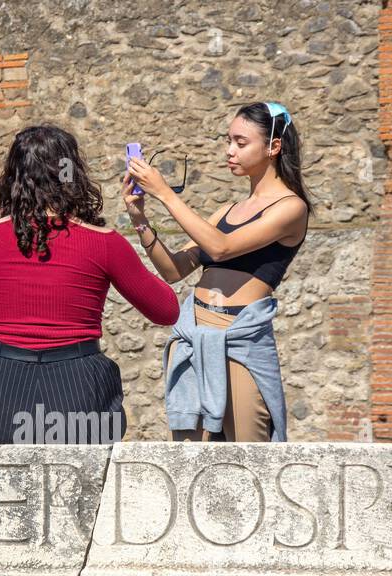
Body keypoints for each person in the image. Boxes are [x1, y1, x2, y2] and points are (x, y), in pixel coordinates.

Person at [0, 125, 180, 445]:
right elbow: (167, 310)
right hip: (79, 389)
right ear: (71, 175)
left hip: (3, 392)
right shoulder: (103, 242)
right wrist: (139, 219)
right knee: (82, 489)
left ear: (13, 177)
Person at [122, 101, 311, 442]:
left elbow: (222, 247)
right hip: (194, 330)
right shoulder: (227, 209)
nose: (230, 151)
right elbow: (174, 270)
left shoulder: (291, 208)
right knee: (190, 458)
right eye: (229, 141)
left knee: (249, 455)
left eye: (241, 142)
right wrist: (140, 219)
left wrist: (166, 194)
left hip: (239, 335)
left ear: (273, 146)